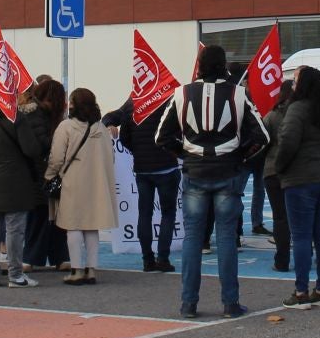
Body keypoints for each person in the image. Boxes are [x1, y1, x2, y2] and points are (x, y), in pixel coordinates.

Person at [156, 44, 268, 320]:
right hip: (228, 172)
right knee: (227, 238)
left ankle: (188, 303)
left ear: (200, 65)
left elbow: (162, 136)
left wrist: (184, 152)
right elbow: (262, 136)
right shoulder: (238, 94)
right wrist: (240, 155)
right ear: (224, 65)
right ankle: (230, 303)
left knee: (193, 239)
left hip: (194, 172)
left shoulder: (181, 93)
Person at [272, 67, 320, 308]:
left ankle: (301, 292)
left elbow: (288, 141)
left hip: (301, 180)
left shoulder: (297, 109)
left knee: (301, 237)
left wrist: (280, 168)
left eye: (295, 80)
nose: (292, 84)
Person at [0, 84, 46, 288]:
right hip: (17, 180)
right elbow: (31, 149)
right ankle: (15, 275)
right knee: (15, 230)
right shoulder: (17, 119)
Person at [46, 87, 116, 285]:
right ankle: (91, 270)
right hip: (97, 182)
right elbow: (109, 157)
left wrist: (50, 175)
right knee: (91, 226)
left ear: (74, 104)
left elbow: (57, 158)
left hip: (73, 182)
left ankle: (76, 270)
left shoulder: (66, 127)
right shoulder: (101, 129)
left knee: (73, 225)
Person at [105, 96, 176, 273]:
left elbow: (121, 132)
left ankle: (147, 260)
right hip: (166, 165)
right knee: (168, 213)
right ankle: (163, 258)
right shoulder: (169, 98)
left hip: (143, 168)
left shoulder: (133, 102)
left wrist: (136, 150)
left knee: (144, 214)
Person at [18, 77, 66, 270]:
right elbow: (42, 145)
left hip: (40, 174)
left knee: (49, 217)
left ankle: (43, 257)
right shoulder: (36, 115)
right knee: (42, 217)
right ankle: (36, 258)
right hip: (40, 175)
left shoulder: (35, 113)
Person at [257, 81, 294, 272]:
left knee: (280, 218)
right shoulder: (303, 115)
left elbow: (261, 143)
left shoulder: (271, 116)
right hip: (296, 172)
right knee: (301, 216)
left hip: (273, 170)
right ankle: (308, 255)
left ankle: (282, 260)